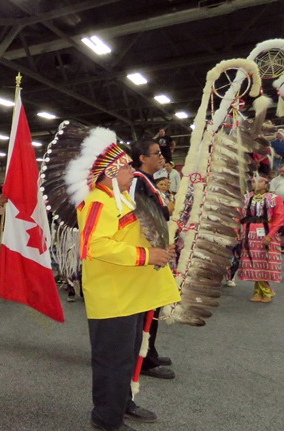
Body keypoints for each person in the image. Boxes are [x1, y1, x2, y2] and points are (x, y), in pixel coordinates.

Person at [45, 123, 179, 430]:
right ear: (110, 170)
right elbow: (95, 246)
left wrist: (158, 245)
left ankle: (122, 404)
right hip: (113, 298)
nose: (132, 170)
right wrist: (147, 256)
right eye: (127, 166)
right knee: (113, 363)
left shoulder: (121, 199)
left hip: (130, 295)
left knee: (128, 359)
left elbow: (131, 235)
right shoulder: (97, 202)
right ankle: (106, 418)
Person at [129, 139, 175, 381]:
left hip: (154, 250)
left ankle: (150, 352)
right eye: (156, 153)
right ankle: (144, 359)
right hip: (146, 252)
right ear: (142, 158)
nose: (161, 157)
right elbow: (144, 217)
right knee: (147, 308)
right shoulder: (137, 181)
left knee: (153, 305)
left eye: (161, 153)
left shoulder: (146, 182)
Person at [239, 176, 284, 303]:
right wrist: (237, 231)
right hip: (249, 234)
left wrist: (270, 235)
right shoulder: (245, 198)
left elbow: (279, 218)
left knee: (265, 263)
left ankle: (265, 291)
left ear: (266, 184)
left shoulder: (275, 199)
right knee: (253, 263)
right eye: (253, 181)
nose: (256, 184)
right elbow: (238, 216)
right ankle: (261, 291)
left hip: (267, 232)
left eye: (260, 181)